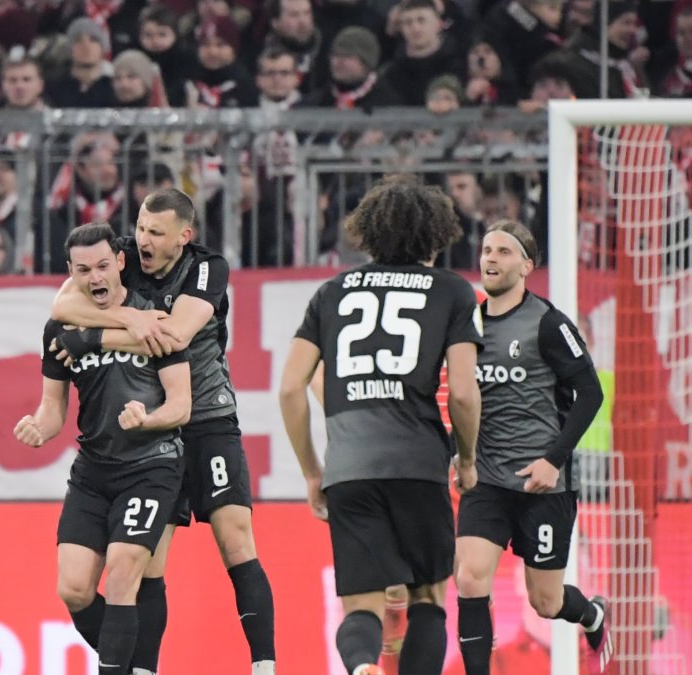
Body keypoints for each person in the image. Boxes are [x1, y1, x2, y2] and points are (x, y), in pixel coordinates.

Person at [51, 190, 276, 675]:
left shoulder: (206, 268)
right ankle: (142, 668)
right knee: (146, 564)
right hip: (152, 432)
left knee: (235, 538)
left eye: (156, 232)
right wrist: (129, 317)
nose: (143, 240)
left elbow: (173, 336)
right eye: (140, 227)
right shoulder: (122, 255)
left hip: (207, 417)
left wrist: (94, 336)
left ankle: (264, 665)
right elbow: (63, 304)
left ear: (183, 236)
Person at [279, 175, 483, 675]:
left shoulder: (332, 292)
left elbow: (290, 389)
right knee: (428, 598)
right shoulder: (453, 291)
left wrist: (312, 471)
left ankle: (361, 665)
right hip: (419, 462)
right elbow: (462, 392)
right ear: (435, 236)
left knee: (362, 607)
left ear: (368, 233)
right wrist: (467, 459)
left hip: (349, 466)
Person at [14, 222, 191, 675]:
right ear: (70, 274)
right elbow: (53, 408)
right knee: (73, 589)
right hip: (94, 470)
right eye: (83, 270)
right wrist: (39, 427)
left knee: (124, 570)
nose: (95, 277)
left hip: (151, 465)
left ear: (120, 263)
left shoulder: (156, 319)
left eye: (103, 266)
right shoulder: (60, 328)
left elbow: (181, 405)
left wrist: (148, 419)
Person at [454, 220, 613, 675]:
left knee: (546, 601)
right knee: (469, 578)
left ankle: (591, 614)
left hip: (543, 484)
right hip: (486, 477)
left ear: (526, 266)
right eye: (487, 249)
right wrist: (458, 451)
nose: (491, 258)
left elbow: (591, 394)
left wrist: (552, 460)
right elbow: (464, 397)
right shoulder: (466, 326)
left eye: (504, 251)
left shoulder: (548, 323)